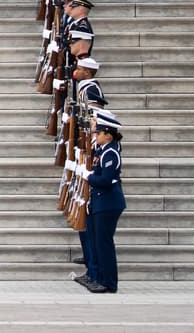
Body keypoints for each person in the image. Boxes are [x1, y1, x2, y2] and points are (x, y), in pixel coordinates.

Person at [84, 110, 126, 293]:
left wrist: (88, 176)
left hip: (108, 202)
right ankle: (100, 278)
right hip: (100, 202)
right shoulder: (103, 150)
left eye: (99, 133)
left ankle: (109, 282)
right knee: (97, 242)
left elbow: (106, 180)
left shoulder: (111, 153)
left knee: (104, 243)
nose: (96, 135)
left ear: (108, 134)